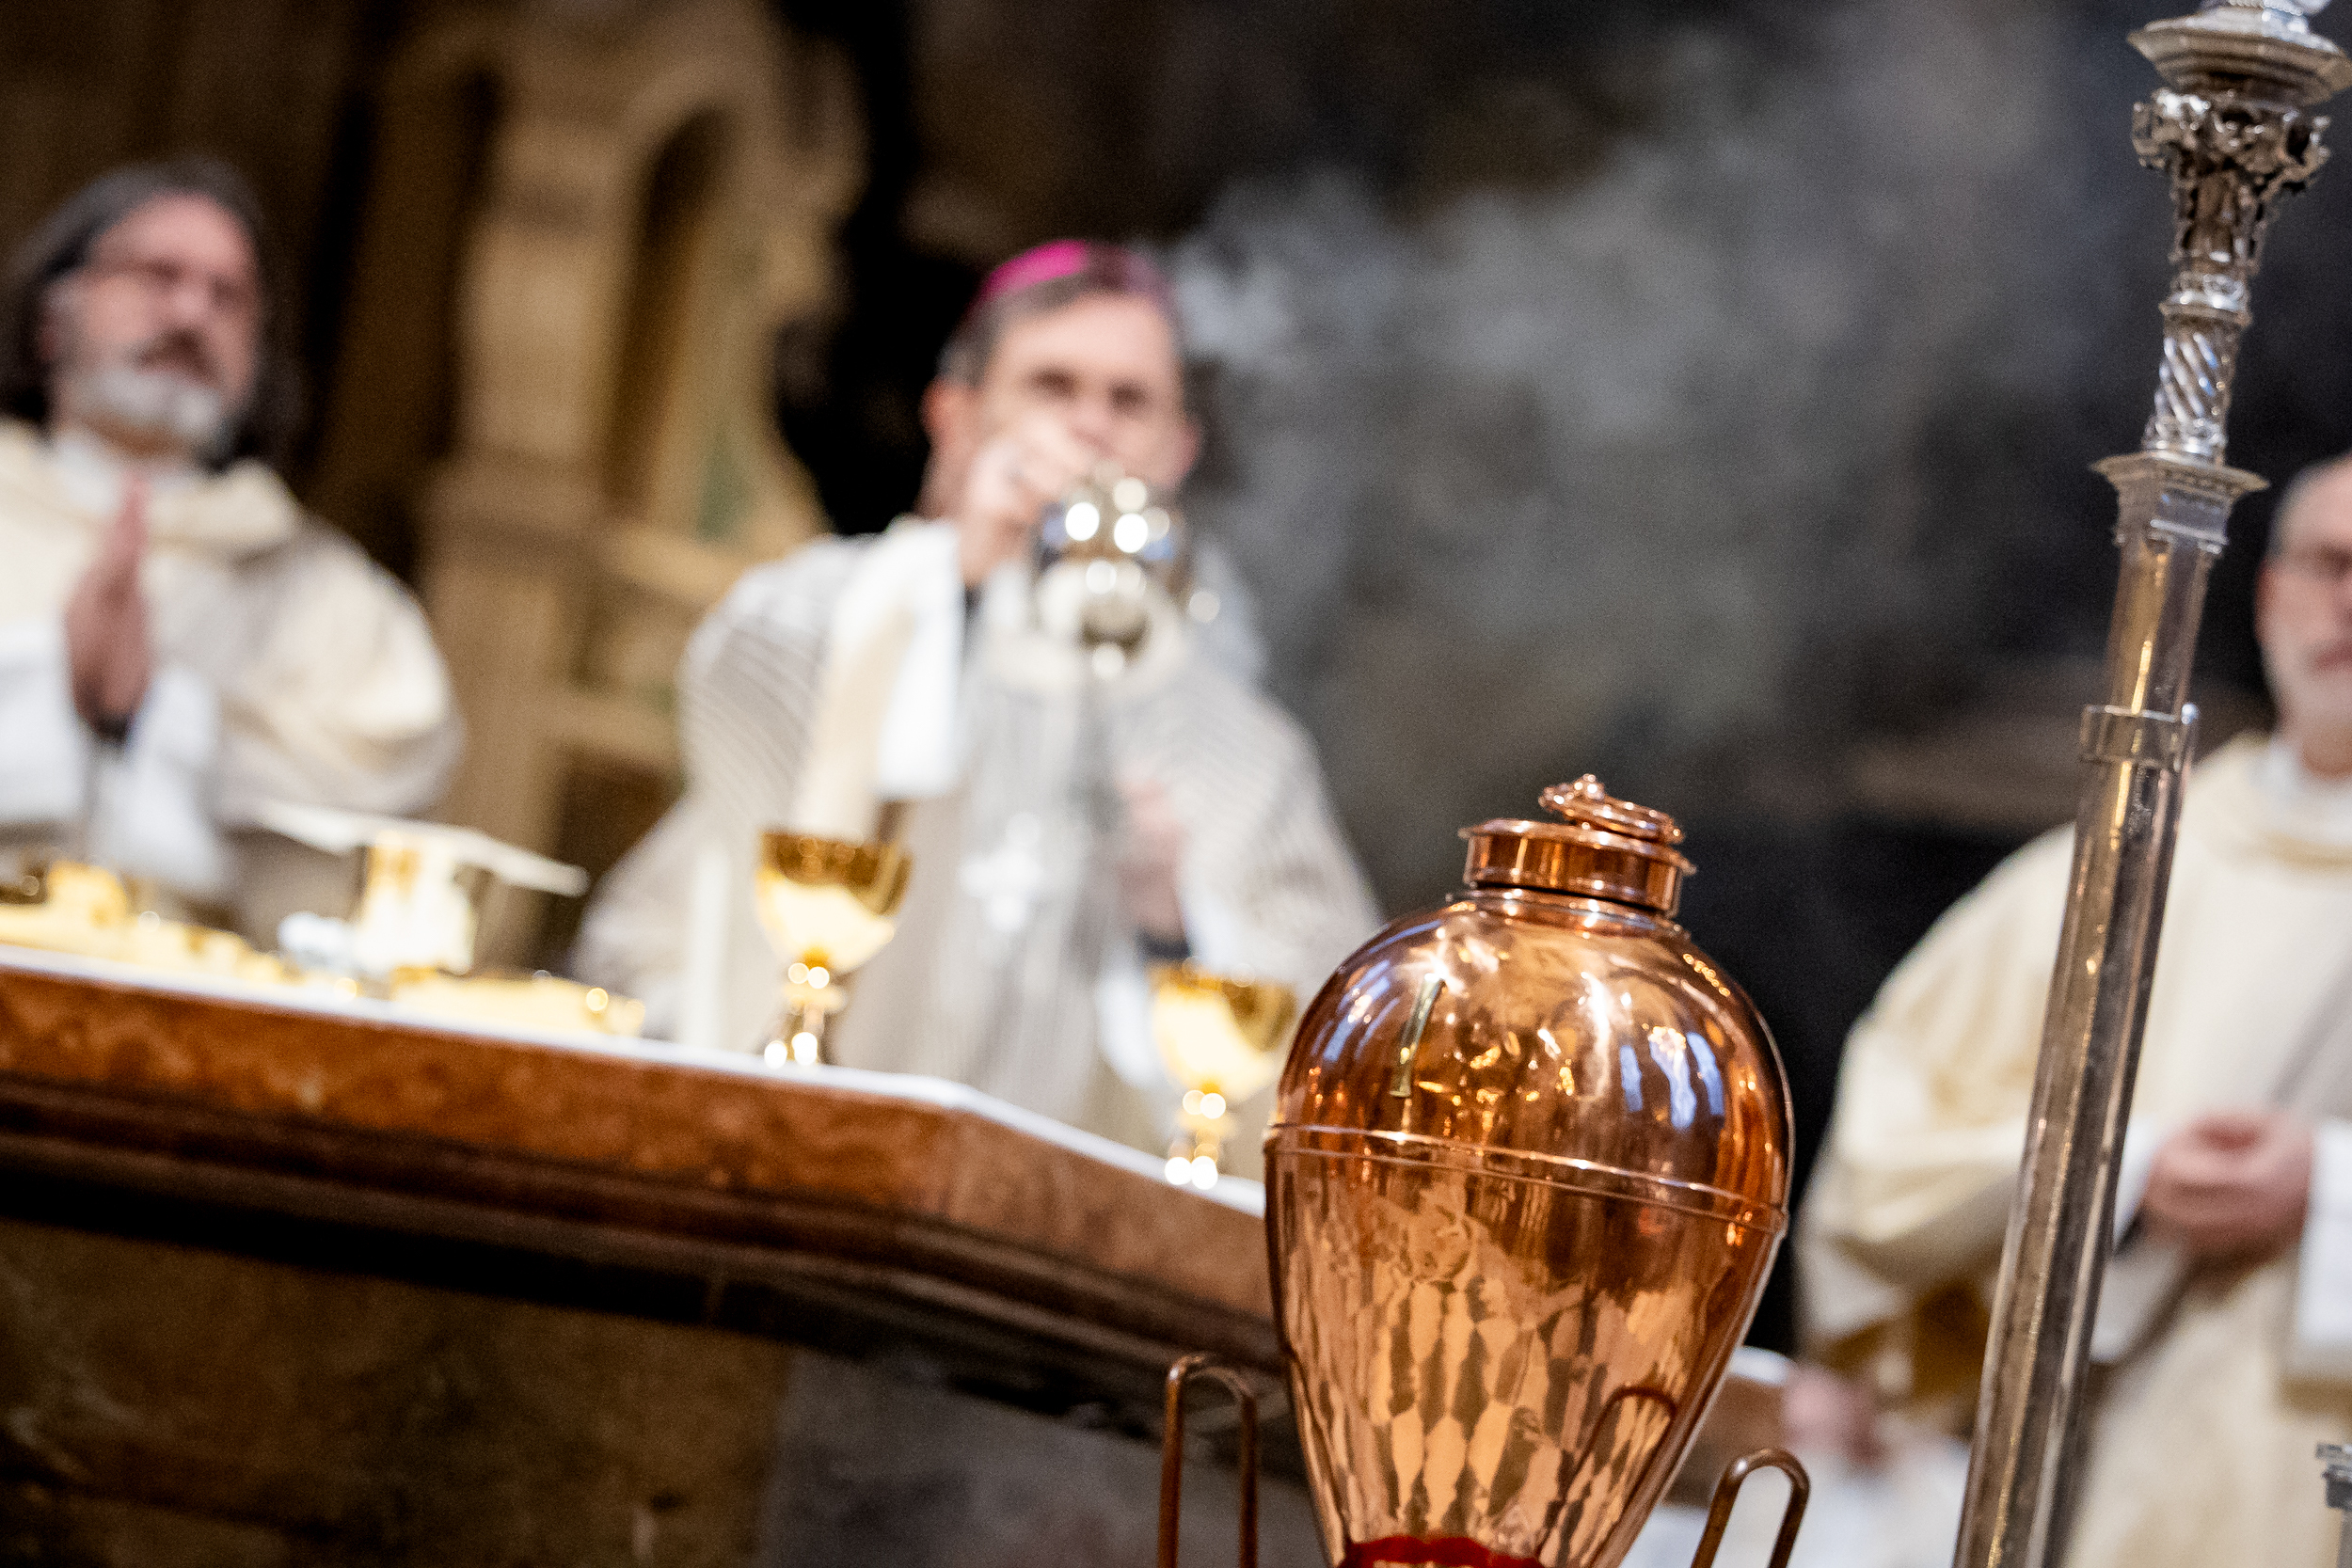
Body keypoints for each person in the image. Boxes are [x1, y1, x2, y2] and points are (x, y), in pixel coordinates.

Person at [577, 241, 1376, 1160]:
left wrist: (1171, 923)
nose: (1090, 427)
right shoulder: (852, 606)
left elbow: (1322, 1049)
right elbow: (741, 698)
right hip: (796, 1152)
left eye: (1128, 401)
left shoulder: (1233, 743)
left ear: (1177, 451)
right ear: (956, 420)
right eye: (1051, 385)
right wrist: (955, 575)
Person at [1801, 455, 2352, 1568]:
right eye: (2331, 564)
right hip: (2073, 1465)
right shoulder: (2112, 866)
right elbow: (1888, 1146)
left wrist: (2328, 1186)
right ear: (2268, 594)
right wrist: (2124, 1171)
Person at [0, 159, 460, 942]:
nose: (190, 312)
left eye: (228, 296)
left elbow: (395, 768)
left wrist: (166, 716)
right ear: (53, 316)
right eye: (156, 274)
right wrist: (47, 677)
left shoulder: (327, 595)